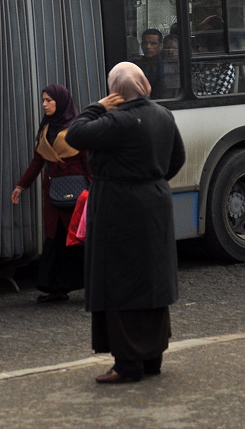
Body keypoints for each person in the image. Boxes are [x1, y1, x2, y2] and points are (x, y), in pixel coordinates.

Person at [65, 62, 186, 384]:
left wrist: (97, 106)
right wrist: (150, 181)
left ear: (116, 89)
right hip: (155, 203)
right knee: (151, 281)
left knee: (120, 283)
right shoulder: (163, 115)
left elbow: (75, 134)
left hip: (119, 207)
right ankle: (151, 359)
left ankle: (127, 364)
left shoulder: (117, 120)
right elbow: (177, 160)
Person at [11, 84, 88, 303]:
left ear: (60, 102)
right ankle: (55, 288)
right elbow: (38, 161)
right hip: (54, 194)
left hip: (78, 195)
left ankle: (94, 285)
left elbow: (88, 162)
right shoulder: (46, 128)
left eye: (48, 100)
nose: (44, 104)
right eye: (43, 100)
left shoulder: (77, 128)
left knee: (80, 239)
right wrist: (21, 186)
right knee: (55, 239)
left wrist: (96, 190)